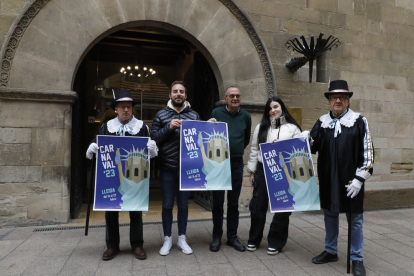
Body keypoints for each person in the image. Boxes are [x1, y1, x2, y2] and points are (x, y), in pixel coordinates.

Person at [310, 80, 374, 276]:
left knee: (355, 220)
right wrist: (306, 138)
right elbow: (311, 148)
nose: (338, 100)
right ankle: (330, 251)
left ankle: (357, 258)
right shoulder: (322, 122)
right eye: (334, 97)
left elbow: (368, 153)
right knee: (329, 214)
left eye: (342, 97)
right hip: (329, 179)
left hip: (350, 181)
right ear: (329, 100)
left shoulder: (359, 121)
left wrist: (359, 179)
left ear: (348, 100)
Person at [86, 89, 158, 261]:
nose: (126, 110)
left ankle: (137, 244)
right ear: (116, 109)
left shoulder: (142, 127)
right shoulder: (107, 126)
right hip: (111, 175)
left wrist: (152, 149)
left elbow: (150, 150)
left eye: (129, 107)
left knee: (136, 210)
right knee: (111, 210)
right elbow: (98, 143)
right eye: (123, 107)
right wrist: (92, 147)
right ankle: (111, 245)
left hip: (136, 176)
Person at [246, 96, 309, 255]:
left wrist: (304, 137)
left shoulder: (292, 128)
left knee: (283, 207)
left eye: (276, 107)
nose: (273, 110)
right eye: (270, 108)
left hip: (284, 170)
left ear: (282, 107)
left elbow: (299, 150)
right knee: (258, 206)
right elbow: (254, 149)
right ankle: (254, 239)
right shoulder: (261, 127)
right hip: (263, 168)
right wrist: (252, 171)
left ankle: (275, 241)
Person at [151, 81, 199, 256]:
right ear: (170, 95)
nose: (178, 94)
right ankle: (167, 239)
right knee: (167, 205)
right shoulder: (161, 115)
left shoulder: (194, 115)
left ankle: (182, 238)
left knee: (184, 205)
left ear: (186, 95)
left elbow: (201, 138)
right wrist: (169, 127)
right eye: (175, 91)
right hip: (167, 167)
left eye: (181, 91)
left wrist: (210, 125)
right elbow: (154, 138)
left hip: (187, 168)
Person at [208, 86, 251, 252]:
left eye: (238, 96)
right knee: (218, 202)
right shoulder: (216, 113)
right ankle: (217, 236)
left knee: (233, 202)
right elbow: (208, 134)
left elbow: (246, 138)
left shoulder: (246, 116)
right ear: (225, 98)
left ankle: (232, 236)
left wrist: (237, 150)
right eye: (231, 96)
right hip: (218, 163)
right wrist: (209, 124)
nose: (235, 98)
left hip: (236, 164)